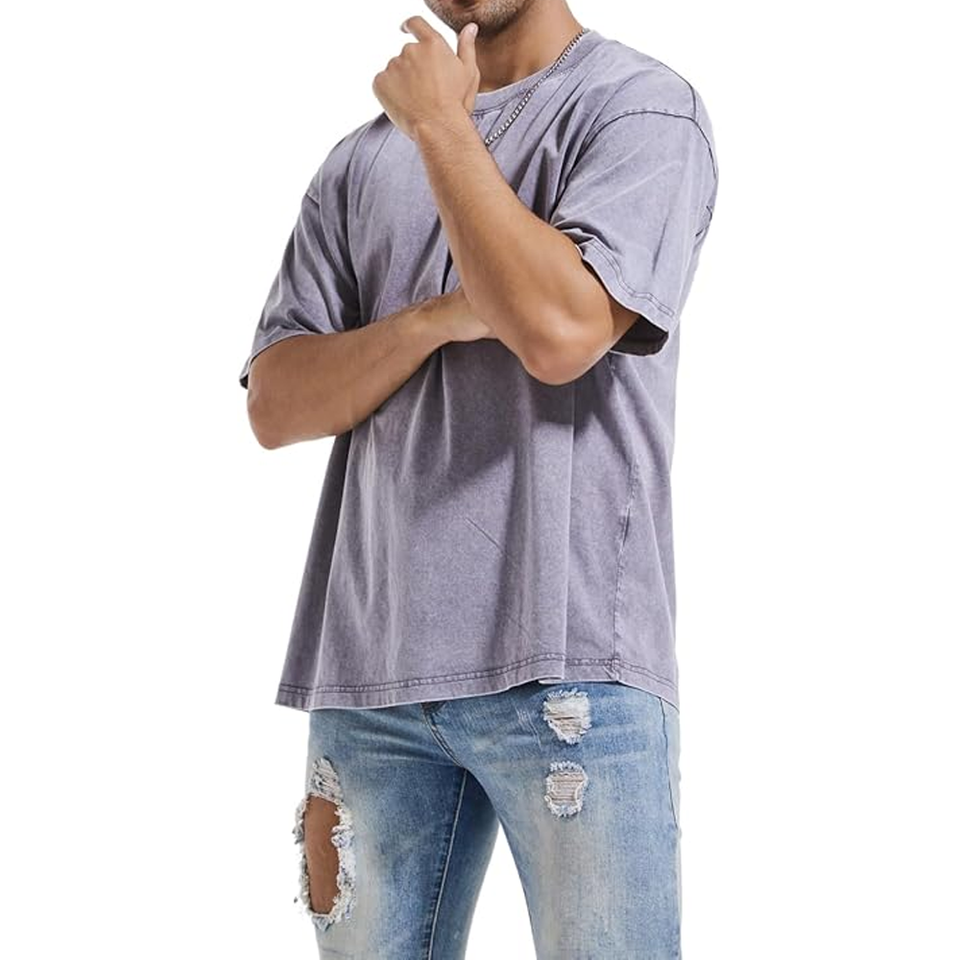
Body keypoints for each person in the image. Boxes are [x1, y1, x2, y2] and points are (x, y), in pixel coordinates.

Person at [239, 2, 718, 956]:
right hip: (367, 680)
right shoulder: (358, 163)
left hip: (571, 673)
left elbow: (560, 333)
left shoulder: (638, 109)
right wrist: (432, 320)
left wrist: (443, 126)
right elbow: (276, 403)